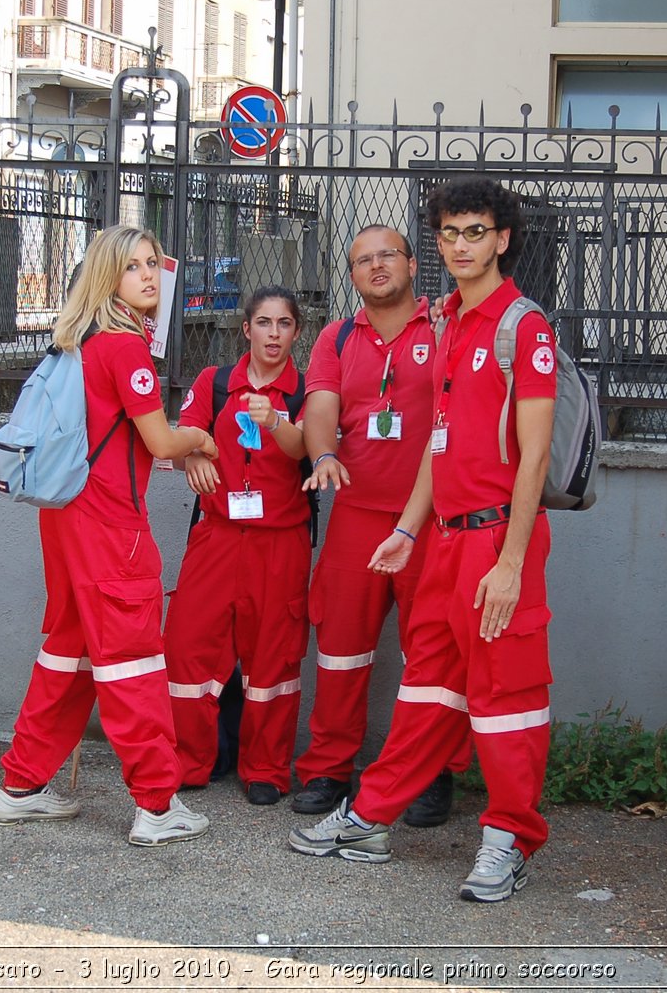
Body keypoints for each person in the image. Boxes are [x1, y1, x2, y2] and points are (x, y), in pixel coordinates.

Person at [288, 178, 558, 904]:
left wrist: (508, 564)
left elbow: (533, 456)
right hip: (442, 539)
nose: (461, 245)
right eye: (450, 233)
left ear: (502, 239)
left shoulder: (520, 326)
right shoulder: (452, 326)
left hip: (499, 541)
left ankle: (508, 840)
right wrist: (409, 529)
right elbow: (440, 447)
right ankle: (373, 817)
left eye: (475, 232)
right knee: (428, 689)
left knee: (506, 699)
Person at [0, 224, 219, 847]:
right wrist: (200, 438)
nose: (148, 275)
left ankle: (21, 786)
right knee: (133, 661)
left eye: (151, 264)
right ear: (108, 277)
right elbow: (162, 443)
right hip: (111, 524)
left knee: (70, 654)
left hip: (65, 517)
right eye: (133, 266)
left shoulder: (81, 341)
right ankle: (156, 805)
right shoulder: (124, 348)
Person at [290, 225, 469, 826]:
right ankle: (327, 769)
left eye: (386, 255)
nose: (375, 267)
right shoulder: (338, 337)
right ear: (352, 275)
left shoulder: (446, 325)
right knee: (341, 647)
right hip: (357, 516)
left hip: (435, 519)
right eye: (362, 261)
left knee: (434, 653)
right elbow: (319, 408)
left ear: (413, 264)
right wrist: (323, 456)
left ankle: (427, 773)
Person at [163, 285, 311, 806]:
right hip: (217, 536)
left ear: (296, 332)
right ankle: (189, 760)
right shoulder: (215, 382)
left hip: (280, 543)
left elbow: (306, 449)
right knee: (187, 646)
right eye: (264, 323)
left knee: (273, 656)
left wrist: (276, 421)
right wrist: (195, 456)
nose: (274, 334)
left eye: (284, 324)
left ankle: (266, 769)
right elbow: (182, 433)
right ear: (245, 329)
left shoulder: (304, 393)